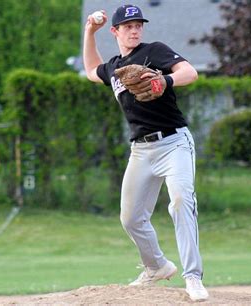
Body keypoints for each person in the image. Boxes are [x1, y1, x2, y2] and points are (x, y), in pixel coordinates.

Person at [83, 4, 209, 302]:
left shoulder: (154, 51)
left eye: (138, 24)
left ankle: (193, 277)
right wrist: (90, 31)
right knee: (131, 219)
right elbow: (90, 70)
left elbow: (190, 73)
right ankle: (157, 266)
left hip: (174, 143)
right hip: (141, 150)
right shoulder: (114, 68)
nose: (135, 29)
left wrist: (164, 80)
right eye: (128, 26)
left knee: (180, 202)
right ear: (115, 31)